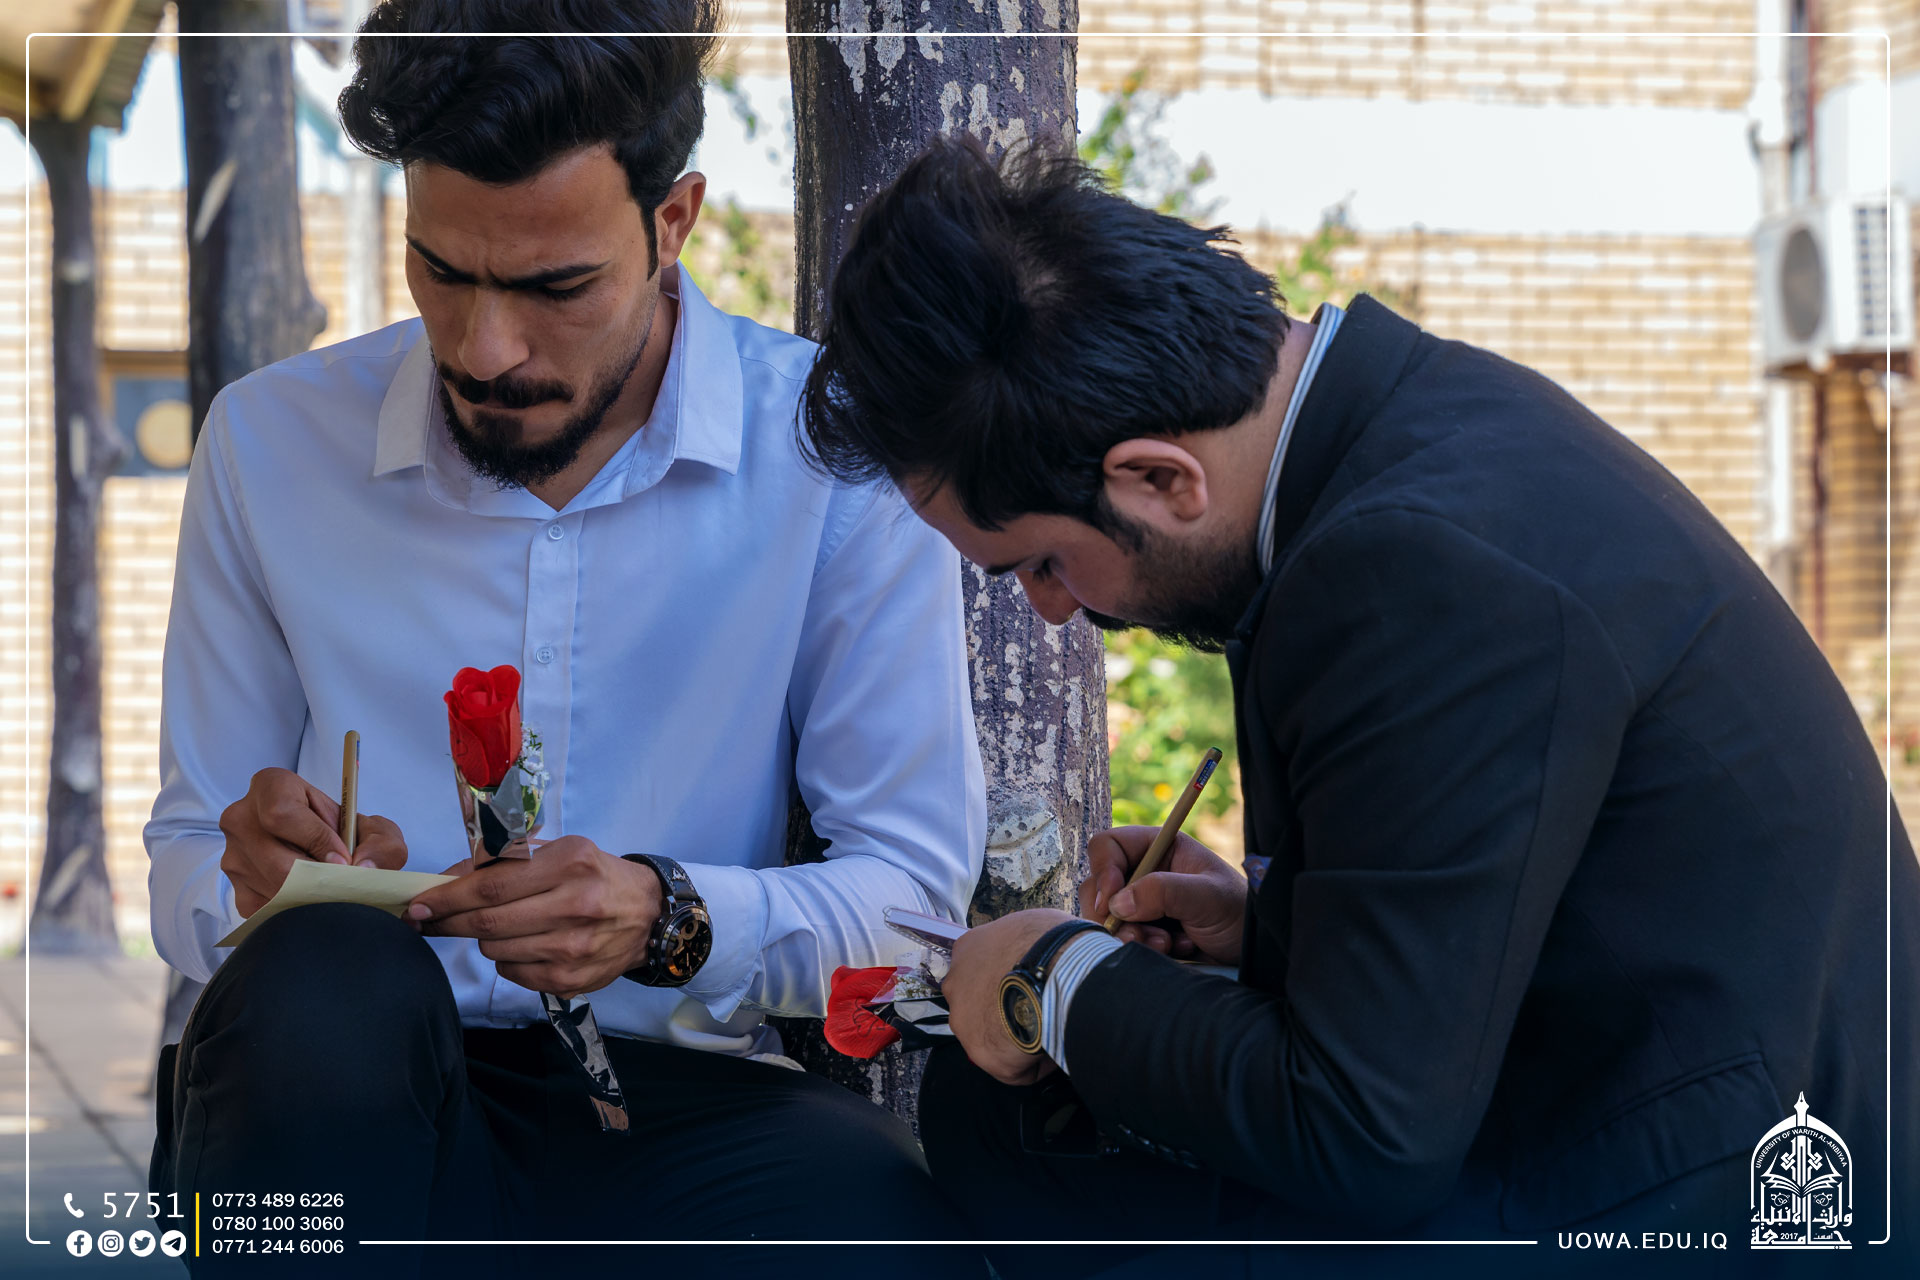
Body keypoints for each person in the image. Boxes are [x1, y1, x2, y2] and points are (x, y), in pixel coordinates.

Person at [798, 136, 1919, 1264]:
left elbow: (1365, 1135)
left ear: (1158, 479)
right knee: (1022, 1125)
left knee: (1017, 1132)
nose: (1051, 611)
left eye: (1041, 563)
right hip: (1668, 1099)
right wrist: (1274, 930)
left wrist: (1052, 975)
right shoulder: (1419, 426)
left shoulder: (1409, 567)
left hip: (1717, 1199)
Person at [144, 3, 984, 1271]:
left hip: (679, 1095)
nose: (487, 350)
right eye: (443, 270)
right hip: (334, 1073)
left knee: (883, 1224)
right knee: (320, 985)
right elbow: (187, 854)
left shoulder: (834, 460)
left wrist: (668, 913)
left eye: (556, 287)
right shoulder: (271, 443)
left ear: (673, 221)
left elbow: (914, 905)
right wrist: (250, 881)